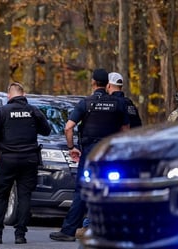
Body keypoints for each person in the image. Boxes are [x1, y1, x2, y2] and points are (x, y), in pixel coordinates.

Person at [49, 68, 130, 242]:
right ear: (107, 84)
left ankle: (69, 231)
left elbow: (68, 127)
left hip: (90, 153)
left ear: (93, 83)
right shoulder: (119, 104)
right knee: (111, 189)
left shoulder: (86, 103)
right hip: (110, 153)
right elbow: (125, 130)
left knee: (82, 190)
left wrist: (72, 147)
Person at [0, 82, 51, 244]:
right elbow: (47, 130)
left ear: (9, 95)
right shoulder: (33, 111)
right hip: (29, 160)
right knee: (24, 197)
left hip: (7, 159)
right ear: (24, 94)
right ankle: (20, 235)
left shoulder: (2, 112)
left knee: (1, 197)